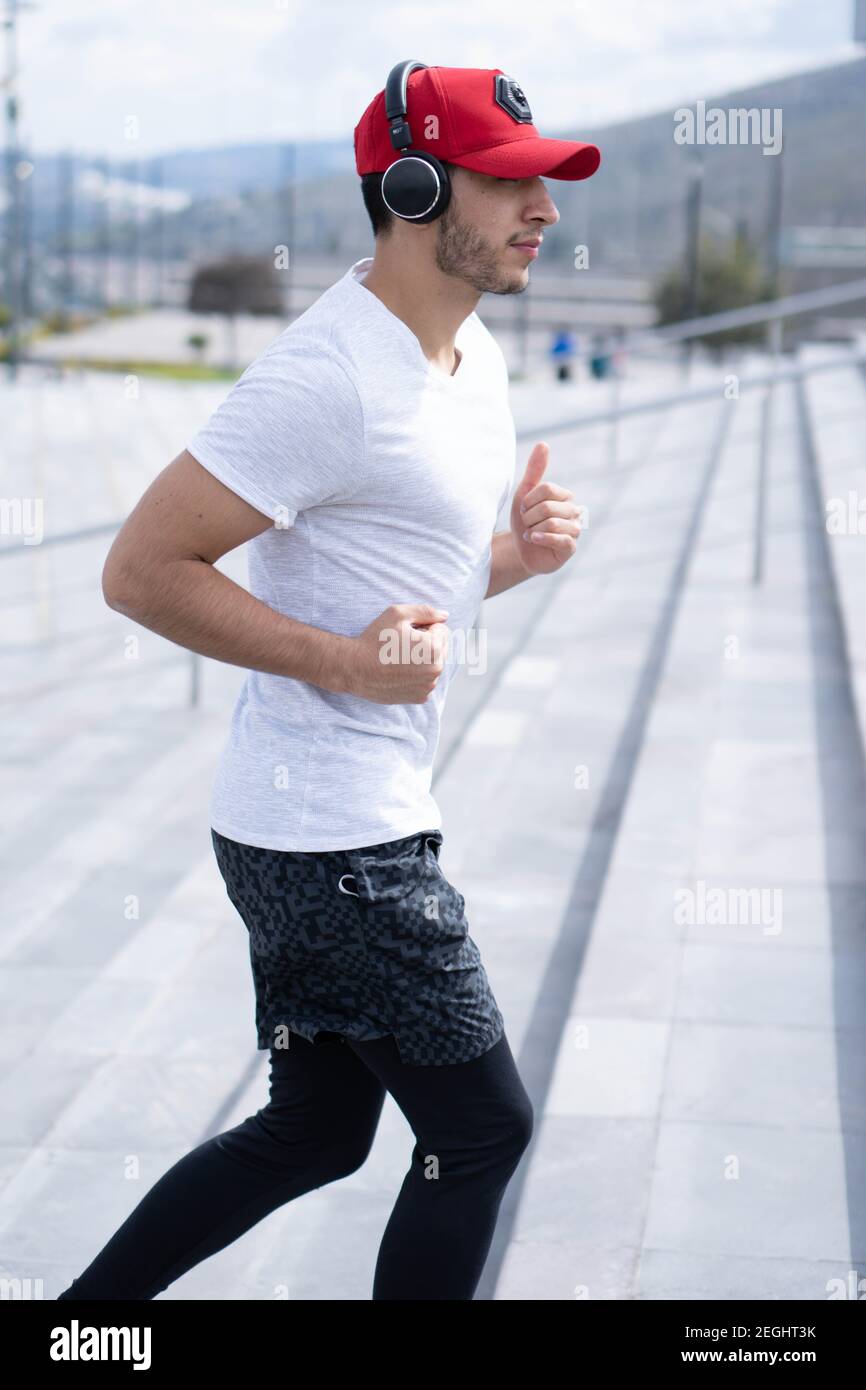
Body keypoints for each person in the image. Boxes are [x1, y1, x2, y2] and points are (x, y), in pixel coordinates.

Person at [56, 61, 597, 1303]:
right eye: (508, 181)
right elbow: (140, 570)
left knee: (314, 1130)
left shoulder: (471, 364)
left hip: (306, 827)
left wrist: (520, 554)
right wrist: (347, 664)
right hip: (338, 844)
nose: (543, 212)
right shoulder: (327, 377)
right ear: (411, 188)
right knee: (482, 1129)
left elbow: (413, 598)